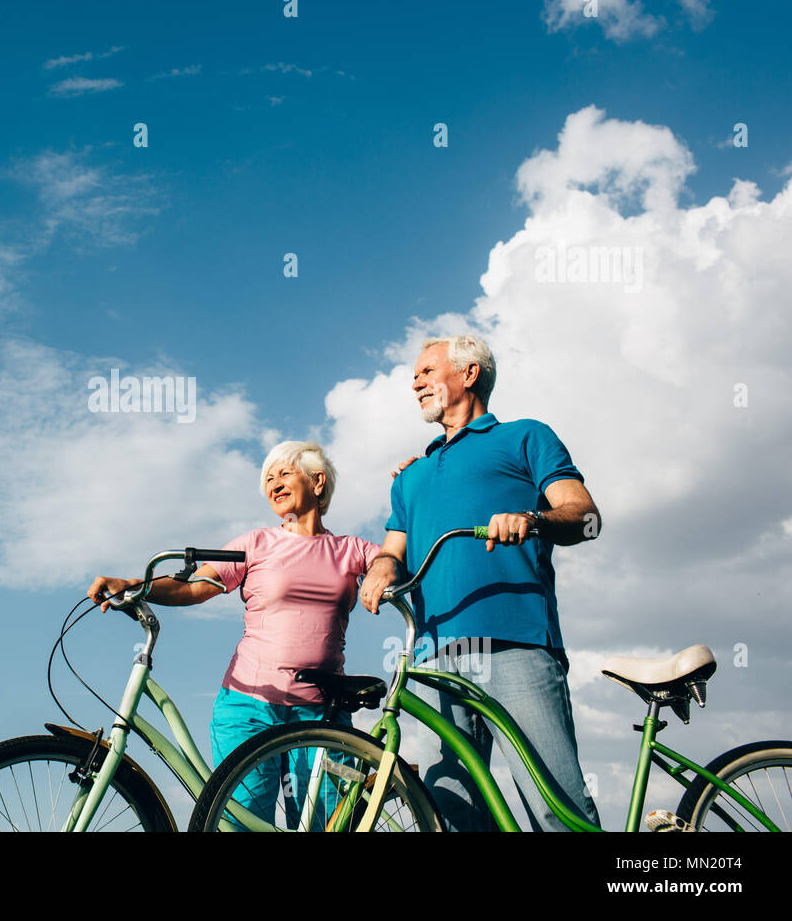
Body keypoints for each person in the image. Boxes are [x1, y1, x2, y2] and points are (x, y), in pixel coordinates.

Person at [358, 334, 602, 831]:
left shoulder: (525, 436)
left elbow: (585, 516)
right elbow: (392, 548)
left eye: (427, 371)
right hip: (431, 659)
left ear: (469, 374)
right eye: (415, 375)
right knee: (456, 813)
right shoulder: (411, 475)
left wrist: (533, 520)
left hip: (516, 644)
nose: (415, 381)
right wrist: (382, 567)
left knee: (555, 807)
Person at [88, 440, 381, 829]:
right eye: (268, 479)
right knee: (242, 825)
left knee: (323, 825)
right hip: (250, 708)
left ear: (317, 481)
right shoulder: (255, 544)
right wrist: (136, 585)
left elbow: (392, 561)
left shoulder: (349, 550)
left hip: (323, 713)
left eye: (285, 473)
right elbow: (195, 587)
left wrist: (381, 569)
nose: (274, 484)